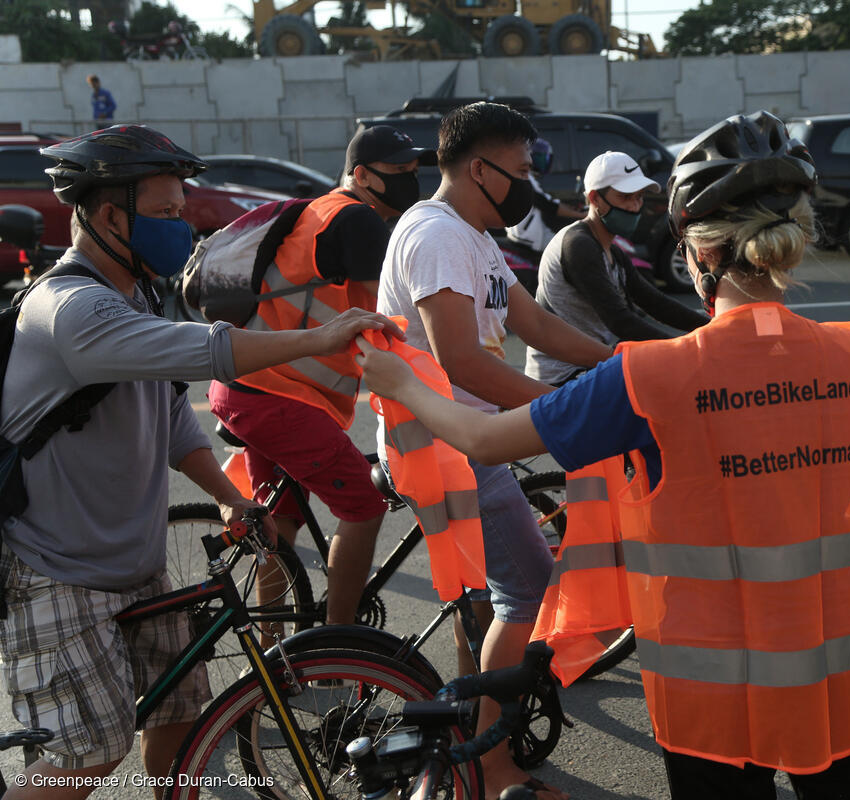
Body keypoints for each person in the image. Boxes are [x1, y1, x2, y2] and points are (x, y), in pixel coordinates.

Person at [362, 110, 850, 800]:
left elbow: (479, 437)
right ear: (795, 240)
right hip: (847, 681)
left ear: (699, 252)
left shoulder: (648, 378)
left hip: (715, 694)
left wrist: (400, 381)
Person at [0, 124, 400, 800]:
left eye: (182, 213)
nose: (181, 228)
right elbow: (207, 351)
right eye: (165, 215)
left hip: (137, 564)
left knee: (183, 720)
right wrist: (321, 335)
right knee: (87, 753)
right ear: (109, 217)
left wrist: (228, 497)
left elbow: (173, 416)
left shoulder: (136, 294)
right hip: (54, 570)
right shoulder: (69, 309)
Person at [376, 100, 613, 800]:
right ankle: (492, 767)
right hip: (449, 448)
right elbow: (464, 364)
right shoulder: (439, 236)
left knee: (490, 602)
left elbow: (534, 322)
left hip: (469, 440)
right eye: (519, 169)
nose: (528, 183)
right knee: (531, 591)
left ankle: (468, 741)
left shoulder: (472, 235)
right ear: (478, 169)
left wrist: (621, 364)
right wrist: (572, 407)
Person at [207, 124, 434, 629]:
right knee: (364, 506)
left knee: (279, 522)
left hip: (244, 383)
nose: (410, 181)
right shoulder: (358, 220)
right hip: (279, 396)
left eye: (414, 172)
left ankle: (269, 645)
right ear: (362, 176)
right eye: (399, 173)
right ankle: (337, 639)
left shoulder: (323, 209)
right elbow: (387, 322)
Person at [525, 150, 709, 386]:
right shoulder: (578, 245)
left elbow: (653, 301)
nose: (635, 206)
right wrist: (680, 348)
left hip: (594, 367)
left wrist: (710, 326)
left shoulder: (611, 249)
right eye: (625, 197)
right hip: (563, 378)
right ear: (595, 199)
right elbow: (620, 321)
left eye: (639, 197)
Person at [504, 138, 584, 254]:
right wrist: (582, 215)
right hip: (527, 235)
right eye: (541, 157)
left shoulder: (526, 177)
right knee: (568, 248)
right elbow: (548, 205)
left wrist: (573, 209)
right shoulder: (526, 179)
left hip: (522, 232)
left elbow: (549, 201)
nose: (544, 161)